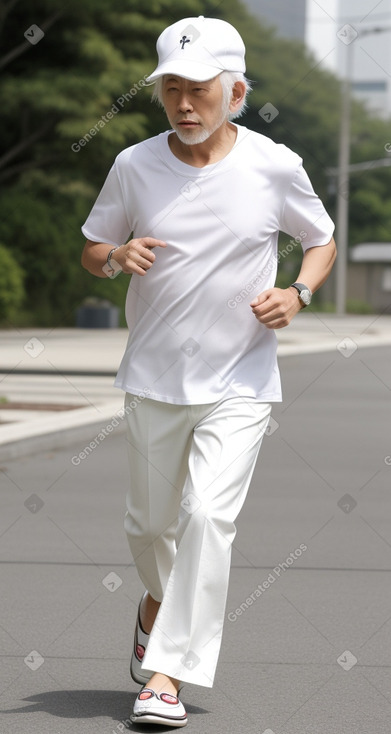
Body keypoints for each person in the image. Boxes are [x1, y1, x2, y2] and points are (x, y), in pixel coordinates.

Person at [81, 15, 336, 728]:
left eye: (199, 91)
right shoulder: (134, 165)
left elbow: (319, 239)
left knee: (206, 516)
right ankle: (157, 606)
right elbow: (94, 247)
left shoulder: (272, 165)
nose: (184, 105)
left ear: (235, 91)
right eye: (170, 91)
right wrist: (115, 258)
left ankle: (166, 675)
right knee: (150, 526)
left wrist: (298, 293)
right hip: (154, 378)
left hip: (240, 383)